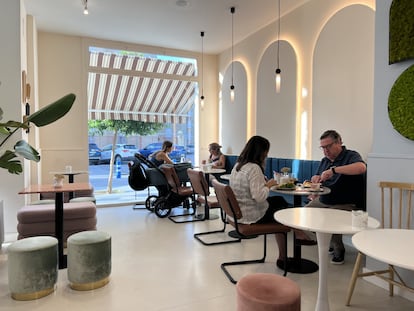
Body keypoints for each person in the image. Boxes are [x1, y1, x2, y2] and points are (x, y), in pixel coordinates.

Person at [229, 135, 312, 268]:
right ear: (261, 152)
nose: (267, 155)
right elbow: (259, 197)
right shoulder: (254, 168)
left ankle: (293, 240)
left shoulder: (238, 166)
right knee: (281, 209)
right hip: (250, 216)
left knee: (278, 202)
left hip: (238, 213)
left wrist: (263, 183)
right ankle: (298, 234)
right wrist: (268, 185)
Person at [307, 130, 367, 265]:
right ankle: (328, 241)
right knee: (305, 215)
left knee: (330, 217)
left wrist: (334, 170)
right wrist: (315, 179)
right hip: (325, 199)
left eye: (328, 146)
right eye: (323, 147)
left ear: (339, 142)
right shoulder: (324, 161)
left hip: (346, 202)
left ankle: (338, 247)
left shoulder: (351, 156)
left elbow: (361, 168)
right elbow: (317, 182)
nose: (325, 151)